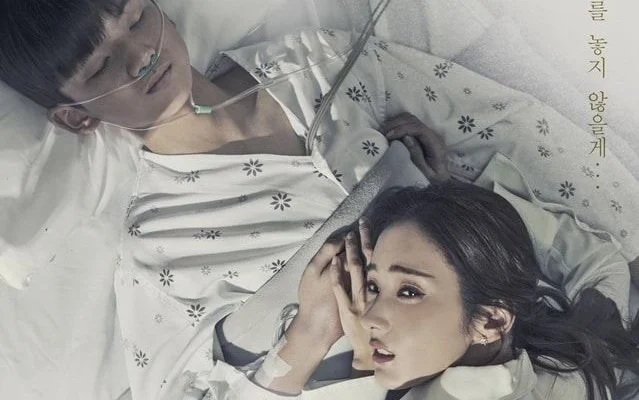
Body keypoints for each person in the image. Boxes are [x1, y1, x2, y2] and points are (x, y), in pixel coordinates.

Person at [1, 0, 638, 398]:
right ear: (78, 117)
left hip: (561, 330)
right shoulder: (159, 243)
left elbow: (504, 126)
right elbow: (181, 389)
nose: (140, 56)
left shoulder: (315, 62)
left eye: (137, 18)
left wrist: (443, 196)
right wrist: (305, 337)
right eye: (101, 67)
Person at [208, 182, 639, 400]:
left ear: (490, 321)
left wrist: (311, 336)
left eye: (410, 291)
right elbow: (602, 264)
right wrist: (451, 204)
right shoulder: (569, 355)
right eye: (373, 284)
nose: (366, 315)